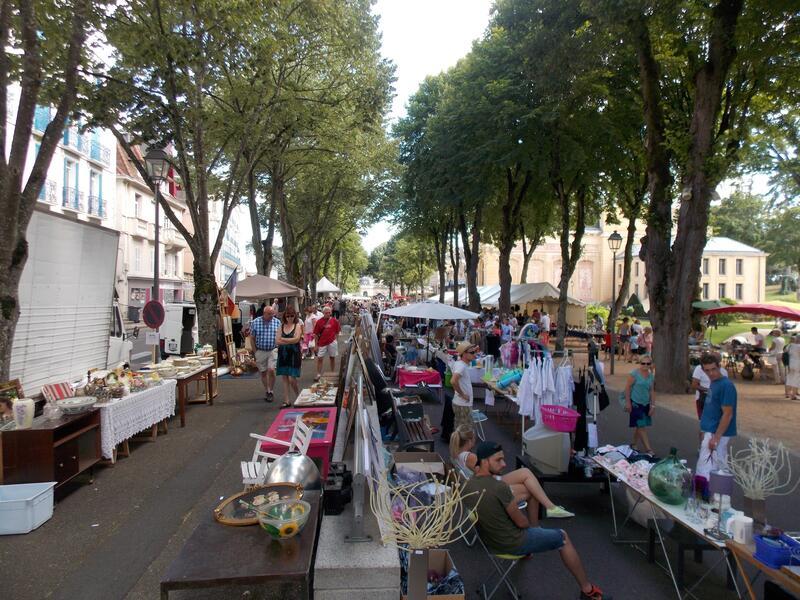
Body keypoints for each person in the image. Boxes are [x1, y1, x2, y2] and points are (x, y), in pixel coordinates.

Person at [462, 442, 612, 600]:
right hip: (512, 543)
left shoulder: (469, 484)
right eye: (498, 460)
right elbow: (522, 524)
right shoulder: (499, 488)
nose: (504, 464)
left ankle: (539, 529)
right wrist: (521, 517)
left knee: (528, 497)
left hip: (489, 542)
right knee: (563, 537)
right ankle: (587, 591)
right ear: (485, 462)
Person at [450, 426, 574, 518]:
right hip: (489, 488)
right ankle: (545, 513)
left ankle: (549, 508)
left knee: (526, 474)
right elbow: (484, 473)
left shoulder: (457, 456)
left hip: (483, 487)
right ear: (470, 441)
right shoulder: (469, 457)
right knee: (530, 486)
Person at [695, 354, 737, 481]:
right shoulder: (714, 383)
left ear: (719, 367)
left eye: (713, 369)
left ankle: (708, 497)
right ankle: (708, 496)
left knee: (708, 471)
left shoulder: (726, 385)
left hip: (716, 434)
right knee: (710, 469)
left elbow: (728, 414)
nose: (711, 373)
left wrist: (716, 437)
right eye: (707, 370)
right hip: (710, 431)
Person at [690, 353, 728, 440]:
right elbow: (694, 385)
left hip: (717, 401)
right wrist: (707, 390)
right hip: (703, 399)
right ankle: (702, 446)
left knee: (716, 423)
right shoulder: (699, 368)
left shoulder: (724, 372)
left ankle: (713, 443)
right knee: (704, 425)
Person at [624, 357, 655, 454]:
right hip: (635, 403)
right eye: (643, 363)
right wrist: (628, 403)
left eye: (648, 363)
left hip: (645, 403)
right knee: (641, 426)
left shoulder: (651, 376)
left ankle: (634, 443)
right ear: (640, 363)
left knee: (640, 425)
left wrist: (652, 405)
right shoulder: (634, 374)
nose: (645, 365)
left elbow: (651, 391)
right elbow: (628, 388)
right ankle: (649, 449)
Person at [249, 306, 280, 402]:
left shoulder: (277, 322)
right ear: (264, 313)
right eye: (269, 314)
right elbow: (252, 338)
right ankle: (267, 390)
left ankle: (271, 391)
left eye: (273, 314)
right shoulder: (255, 322)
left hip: (273, 350)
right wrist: (255, 352)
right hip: (260, 350)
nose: (271, 316)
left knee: (271, 369)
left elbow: (280, 336)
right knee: (263, 372)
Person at [276, 307, 303, 407]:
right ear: (285, 316)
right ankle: (287, 400)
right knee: (284, 377)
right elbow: (277, 341)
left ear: (295, 316)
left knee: (292, 378)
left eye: (292, 316)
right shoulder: (281, 326)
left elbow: (296, 340)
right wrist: (288, 340)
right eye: (288, 316)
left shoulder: (298, 326)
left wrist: (283, 339)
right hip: (283, 354)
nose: (290, 318)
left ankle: (298, 396)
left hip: (294, 354)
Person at [450, 341, 477, 432]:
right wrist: (462, 394)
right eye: (472, 352)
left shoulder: (460, 364)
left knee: (459, 429)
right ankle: (460, 445)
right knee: (464, 431)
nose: (474, 354)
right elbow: (453, 381)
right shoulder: (461, 366)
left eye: (475, 352)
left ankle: (457, 444)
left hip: (461, 403)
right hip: (463, 404)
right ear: (464, 354)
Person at [313, 305, 341, 381]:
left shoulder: (334, 321)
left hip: (332, 342)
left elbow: (337, 332)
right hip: (322, 343)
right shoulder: (319, 322)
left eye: (329, 313)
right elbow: (315, 334)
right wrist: (315, 345)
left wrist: (336, 341)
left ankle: (332, 373)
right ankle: (318, 374)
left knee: (332, 358)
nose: (328, 314)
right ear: (323, 313)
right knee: (320, 358)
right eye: (326, 313)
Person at [785, 335, 800, 399]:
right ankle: (793, 395)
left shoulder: (790, 345)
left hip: (790, 363)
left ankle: (787, 394)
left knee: (789, 378)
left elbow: (785, 352)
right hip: (797, 363)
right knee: (796, 379)